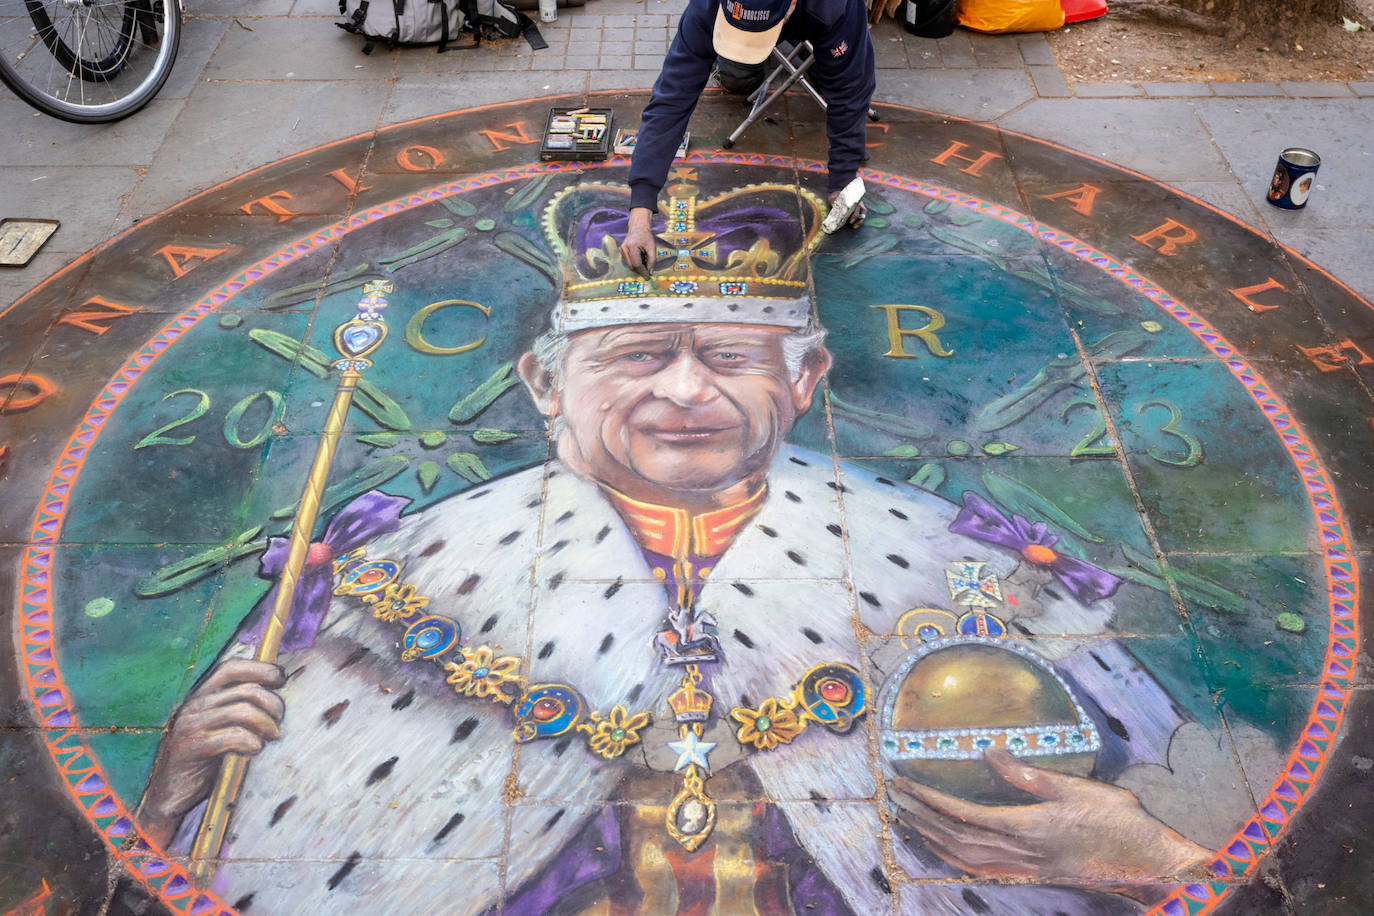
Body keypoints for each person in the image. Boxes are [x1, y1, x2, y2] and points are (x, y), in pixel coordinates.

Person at [136, 180, 1241, 915]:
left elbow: (1147, 819)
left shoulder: (966, 569)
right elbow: (233, 860)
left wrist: (1150, 858)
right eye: (635, 354)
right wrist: (175, 791)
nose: (683, 391)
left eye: (729, 354)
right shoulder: (392, 579)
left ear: (804, 383)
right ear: (544, 387)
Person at [620, 0, 875, 275]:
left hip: (817, 15)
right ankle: (745, 61)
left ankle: (810, 55)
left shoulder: (833, 7)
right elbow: (671, 102)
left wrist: (844, 181)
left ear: (790, 7)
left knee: (834, 70)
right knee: (738, 75)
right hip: (772, 18)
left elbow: (852, 89)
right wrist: (639, 215)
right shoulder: (706, 9)